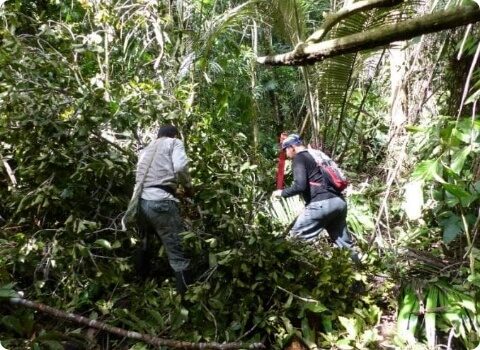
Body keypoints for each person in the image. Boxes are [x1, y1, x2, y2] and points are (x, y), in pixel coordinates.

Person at [272, 133, 360, 263]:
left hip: (321, 204)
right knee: (346, 246)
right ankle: (359, 275)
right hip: (339, 203)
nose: (285, 153)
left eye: (285, 149)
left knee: (295, 240)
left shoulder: (299, 158)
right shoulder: (316, 155)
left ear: (292, 147)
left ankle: (287, 275)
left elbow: (299, 186)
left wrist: (281, 193)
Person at [134, 125, 193, 294]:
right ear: (174, 135)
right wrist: (188, 187)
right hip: (161, 203)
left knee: (144, 243)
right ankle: (187, 300)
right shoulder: (174, 143)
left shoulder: (146, 149)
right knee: (177, 252)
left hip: (141, 202)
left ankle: (139, 287)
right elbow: (181, 168)